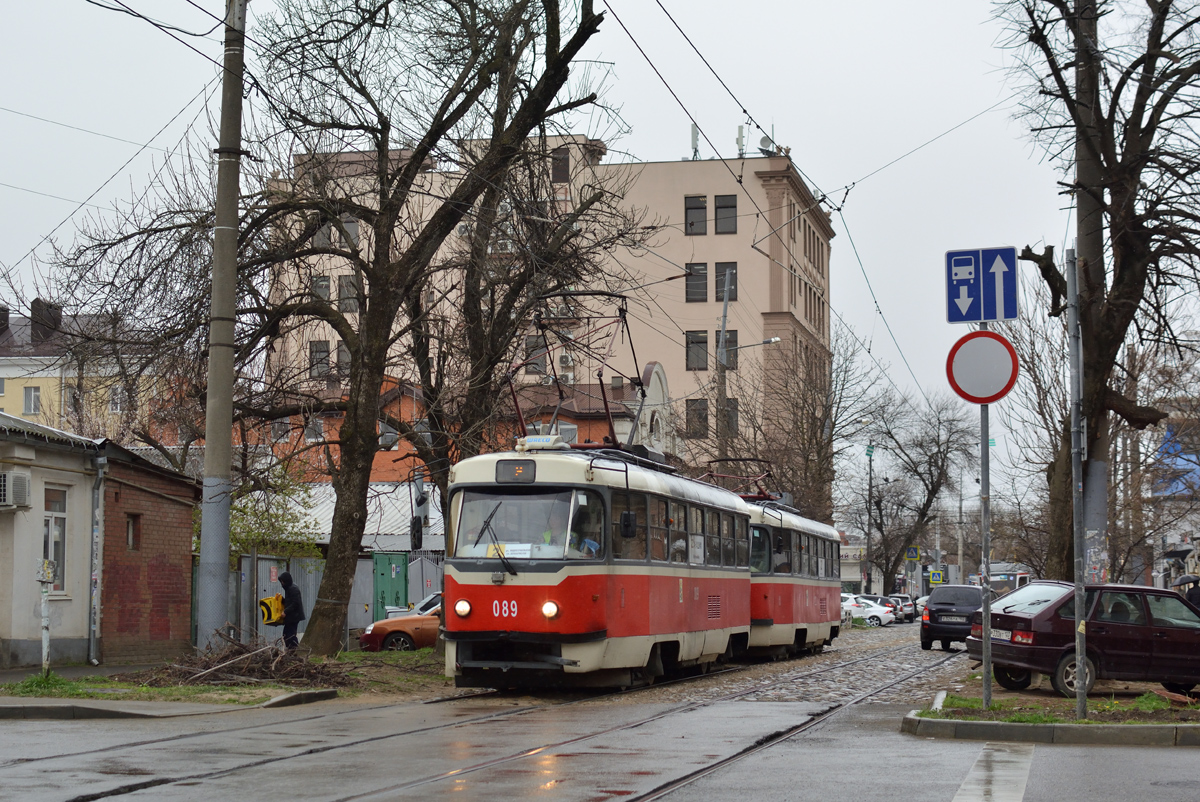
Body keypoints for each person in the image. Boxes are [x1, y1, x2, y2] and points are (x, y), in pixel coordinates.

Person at [279, 571, 306, 650]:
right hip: (291, 616)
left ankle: (294, 650)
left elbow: (295, 603)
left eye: (283, 581)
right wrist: (281, 600)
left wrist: (285, 611)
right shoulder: (289, 588)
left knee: (290, 635)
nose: (282, 583)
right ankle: (291, 650)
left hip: (294, 616)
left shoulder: (293, 589)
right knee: (286, 635)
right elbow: (289, 602)